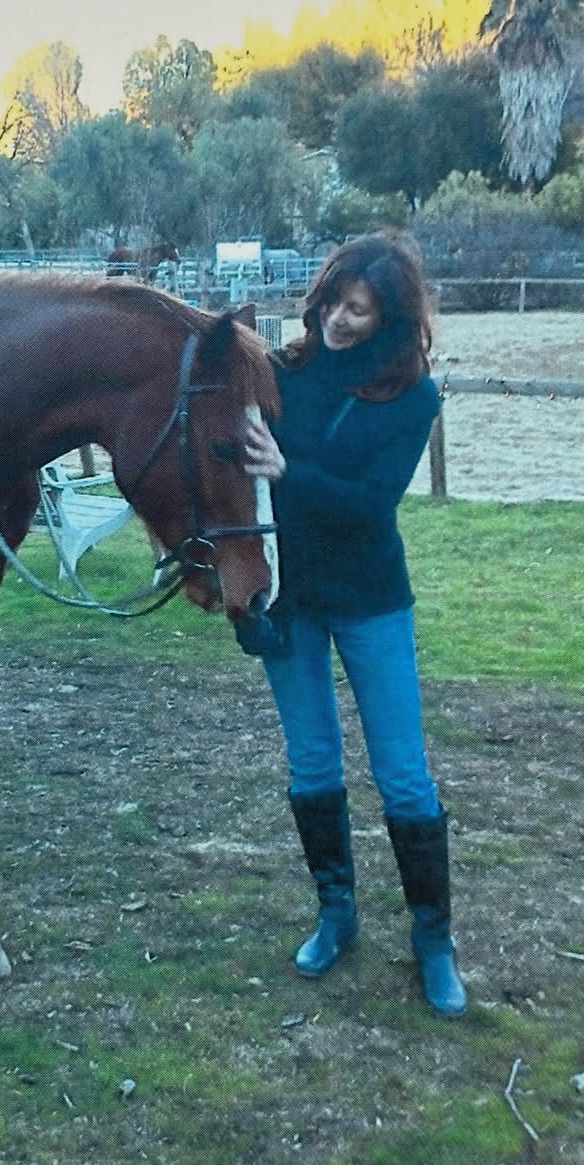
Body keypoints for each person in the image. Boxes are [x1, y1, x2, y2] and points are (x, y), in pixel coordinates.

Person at [242, 231, 466, 1017]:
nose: (338, 319)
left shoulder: (414, 396)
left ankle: (433, 940)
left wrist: (288, 472)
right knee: (312, 763)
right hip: (291, 597)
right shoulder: (279, 373)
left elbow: (372, 503)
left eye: (359, 310)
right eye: (333, 301)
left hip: (371, 597)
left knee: (403, 772)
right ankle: (336, 914)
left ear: (390, 318)